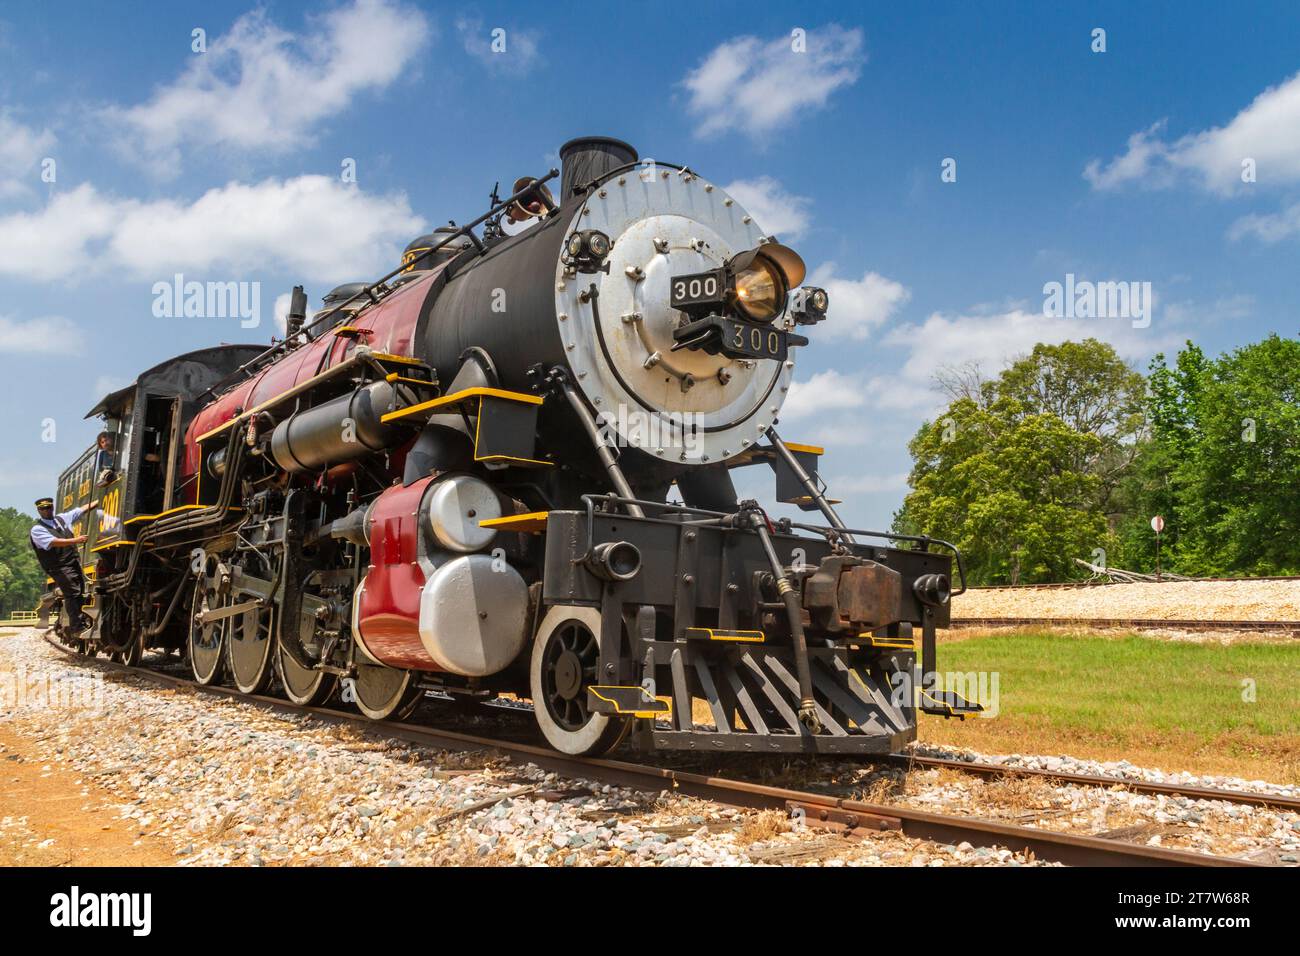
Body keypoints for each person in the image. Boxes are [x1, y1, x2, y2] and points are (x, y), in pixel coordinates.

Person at [30, 496, 100, 635]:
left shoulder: (62, 519)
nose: (46, 510)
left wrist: (98, 501)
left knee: (80, 591)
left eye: (48, 507)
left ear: (52, 507)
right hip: (58, 566)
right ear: (39, 511)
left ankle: (81, 622)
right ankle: (76, 627)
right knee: (72, 592)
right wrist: (76, 540)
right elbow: (53, 542)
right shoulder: (37, 529)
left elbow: (80, 510)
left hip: (72, 562)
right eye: (43, 509)